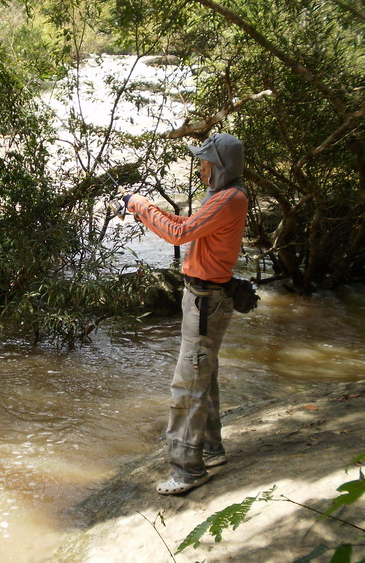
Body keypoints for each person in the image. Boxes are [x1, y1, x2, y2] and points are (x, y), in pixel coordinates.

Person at [123, 132, 249, 494]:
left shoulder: (229, 198)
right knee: (203, 376)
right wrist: (144, 206)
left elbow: (179, 233)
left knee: (188, 383)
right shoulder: (224, 196)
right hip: (202, 298)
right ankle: (211, 449)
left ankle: (187, 471)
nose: (200, 169)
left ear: (221, 167)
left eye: (205, 163)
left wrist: (141, 205)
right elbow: (187, 229)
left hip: (207, 302)